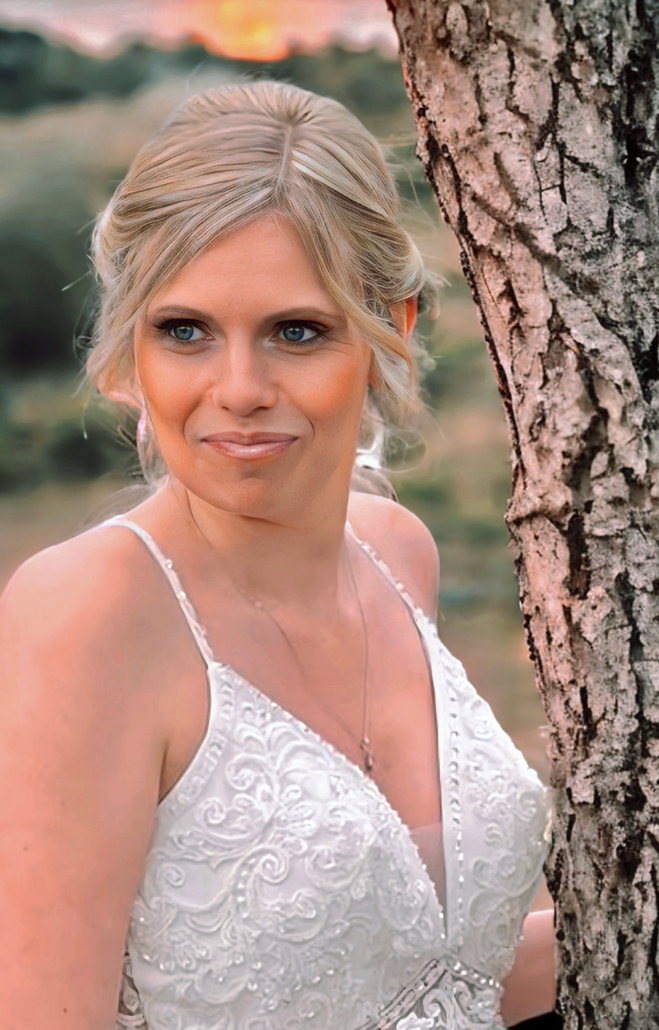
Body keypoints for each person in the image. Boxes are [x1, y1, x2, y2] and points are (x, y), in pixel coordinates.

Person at [0, 81, 556, 1030]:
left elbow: (435, 981)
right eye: (185, 332)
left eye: (296, 332)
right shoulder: (89, 613)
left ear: (391, 329)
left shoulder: (397, 553)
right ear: (133, 346)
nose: (239, 388)